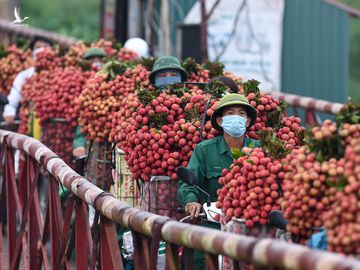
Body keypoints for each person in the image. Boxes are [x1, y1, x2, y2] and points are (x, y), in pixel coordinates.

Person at [178, 93, 259, 269]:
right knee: (200, 262)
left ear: (247, 121)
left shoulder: (258, 150)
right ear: (221, 121)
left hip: (250, 225)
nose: (236, 117)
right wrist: (191, 201)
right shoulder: (204, 150)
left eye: (241, 114)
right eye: (230, 113)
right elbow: (188, 181)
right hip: (212, 225)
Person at [3, 35, 53, 127]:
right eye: (38, 47)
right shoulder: (23, 76)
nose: (42, 50)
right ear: (32, 52)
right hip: (29, 123)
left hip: (52, 124)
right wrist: (9, 113)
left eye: (45, 47)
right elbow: (12, 101)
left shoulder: (58, 75)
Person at [72, 47, 106, 159]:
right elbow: (83, 122)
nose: (96, 63)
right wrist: (79, 145)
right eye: (92, 60)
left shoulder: (113, 84)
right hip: (95, 152)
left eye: (100, 59)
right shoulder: (87, 91)